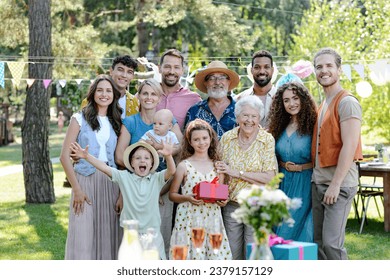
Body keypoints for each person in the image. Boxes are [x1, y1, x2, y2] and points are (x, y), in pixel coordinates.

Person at [69, 140, 176, 260]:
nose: (142, 160)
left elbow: (171, 171)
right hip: (132, 234)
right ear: (132, 163)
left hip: (152, 234)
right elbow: (104, 168)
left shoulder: (157, 179)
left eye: (147, 158)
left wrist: (168, 155)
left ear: (151, 164)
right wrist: (86, 156)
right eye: (138, 158)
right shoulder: (124, 177)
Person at [115, 78, 182, 257]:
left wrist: (161, 150)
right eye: (145, 93)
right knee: (135, 244)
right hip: (136, 190)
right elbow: (120, 157)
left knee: (161, 239)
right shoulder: (130, 122)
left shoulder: (168, 119)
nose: (149, 97)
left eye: (153, 94)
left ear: (159, 98)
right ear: (138, 96)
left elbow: (180, 147)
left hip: (164, 186)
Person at [59, 74, 122, 260]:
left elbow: (120, 159)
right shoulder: (79, 118)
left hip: (111, 183)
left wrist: (121, 193)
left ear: (113, 95)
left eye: (108, 91)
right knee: (83, 235)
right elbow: (64, 157)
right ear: (93, 93)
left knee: (108, 235)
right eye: (100, 90)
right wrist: (76, 189)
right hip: (85, 182)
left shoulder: (116, 121)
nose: (104, 94)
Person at [311, 47, 363, 260]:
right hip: (319, 182)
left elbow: (349, 147)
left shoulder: (347, 102)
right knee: (320, 245)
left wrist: (335, 184)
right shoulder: (323, 103)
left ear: (339, 70)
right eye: (319, 67)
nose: (324, 71)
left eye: (329, 66)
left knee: (332, 245)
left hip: (338, 185)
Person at [217, 95, 277, 260]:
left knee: (254, 254)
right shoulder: (227, 138)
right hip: (231, 205)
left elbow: (269, 177)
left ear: (260, 118)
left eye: (254, 116)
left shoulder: (266, 140)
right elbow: (221, 170)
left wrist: (237, 173)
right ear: (237, 117)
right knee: (231, 253)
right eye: (245, 115)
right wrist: (221, 195)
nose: (249, 120)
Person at [169, 119, 232, 260]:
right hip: (188, 218)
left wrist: (223, 201)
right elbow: (172, 195)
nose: (201, 142)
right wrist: (187, 197)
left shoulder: (218, 166)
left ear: (211, 139)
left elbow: (221, 195)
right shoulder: (184, 166)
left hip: (212, 218)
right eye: (196, 139)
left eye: (204, 138)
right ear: (190, 142)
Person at [268, 77, 317, 242]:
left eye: (295, 98)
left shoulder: (313, 125)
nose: (291, 103)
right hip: (282, 182)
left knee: (294, 229)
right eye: (286, 100)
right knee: (277, 227)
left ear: (303, 99)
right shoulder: (278, 125)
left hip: (304, 182)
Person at [185, 60, 239, 139]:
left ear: (229, 82)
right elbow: (187, 142)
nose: (217, 82)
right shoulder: (194, 111)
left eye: (222, 78)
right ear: (205, 83)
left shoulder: (240, 110)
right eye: (212, 78)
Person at [156, 49, 202, 130]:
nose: (172, 71)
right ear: (159, 69)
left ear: (182, 71)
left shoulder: (194, 99)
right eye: (167, 67)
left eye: (176, 67)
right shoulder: (147, 94)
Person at [235, 50, 276, 129]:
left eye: (266, 67)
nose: (262, 71)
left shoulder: (282, 98)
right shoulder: (239, 99)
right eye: (257, 67)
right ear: (251, 70)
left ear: (272, 70)